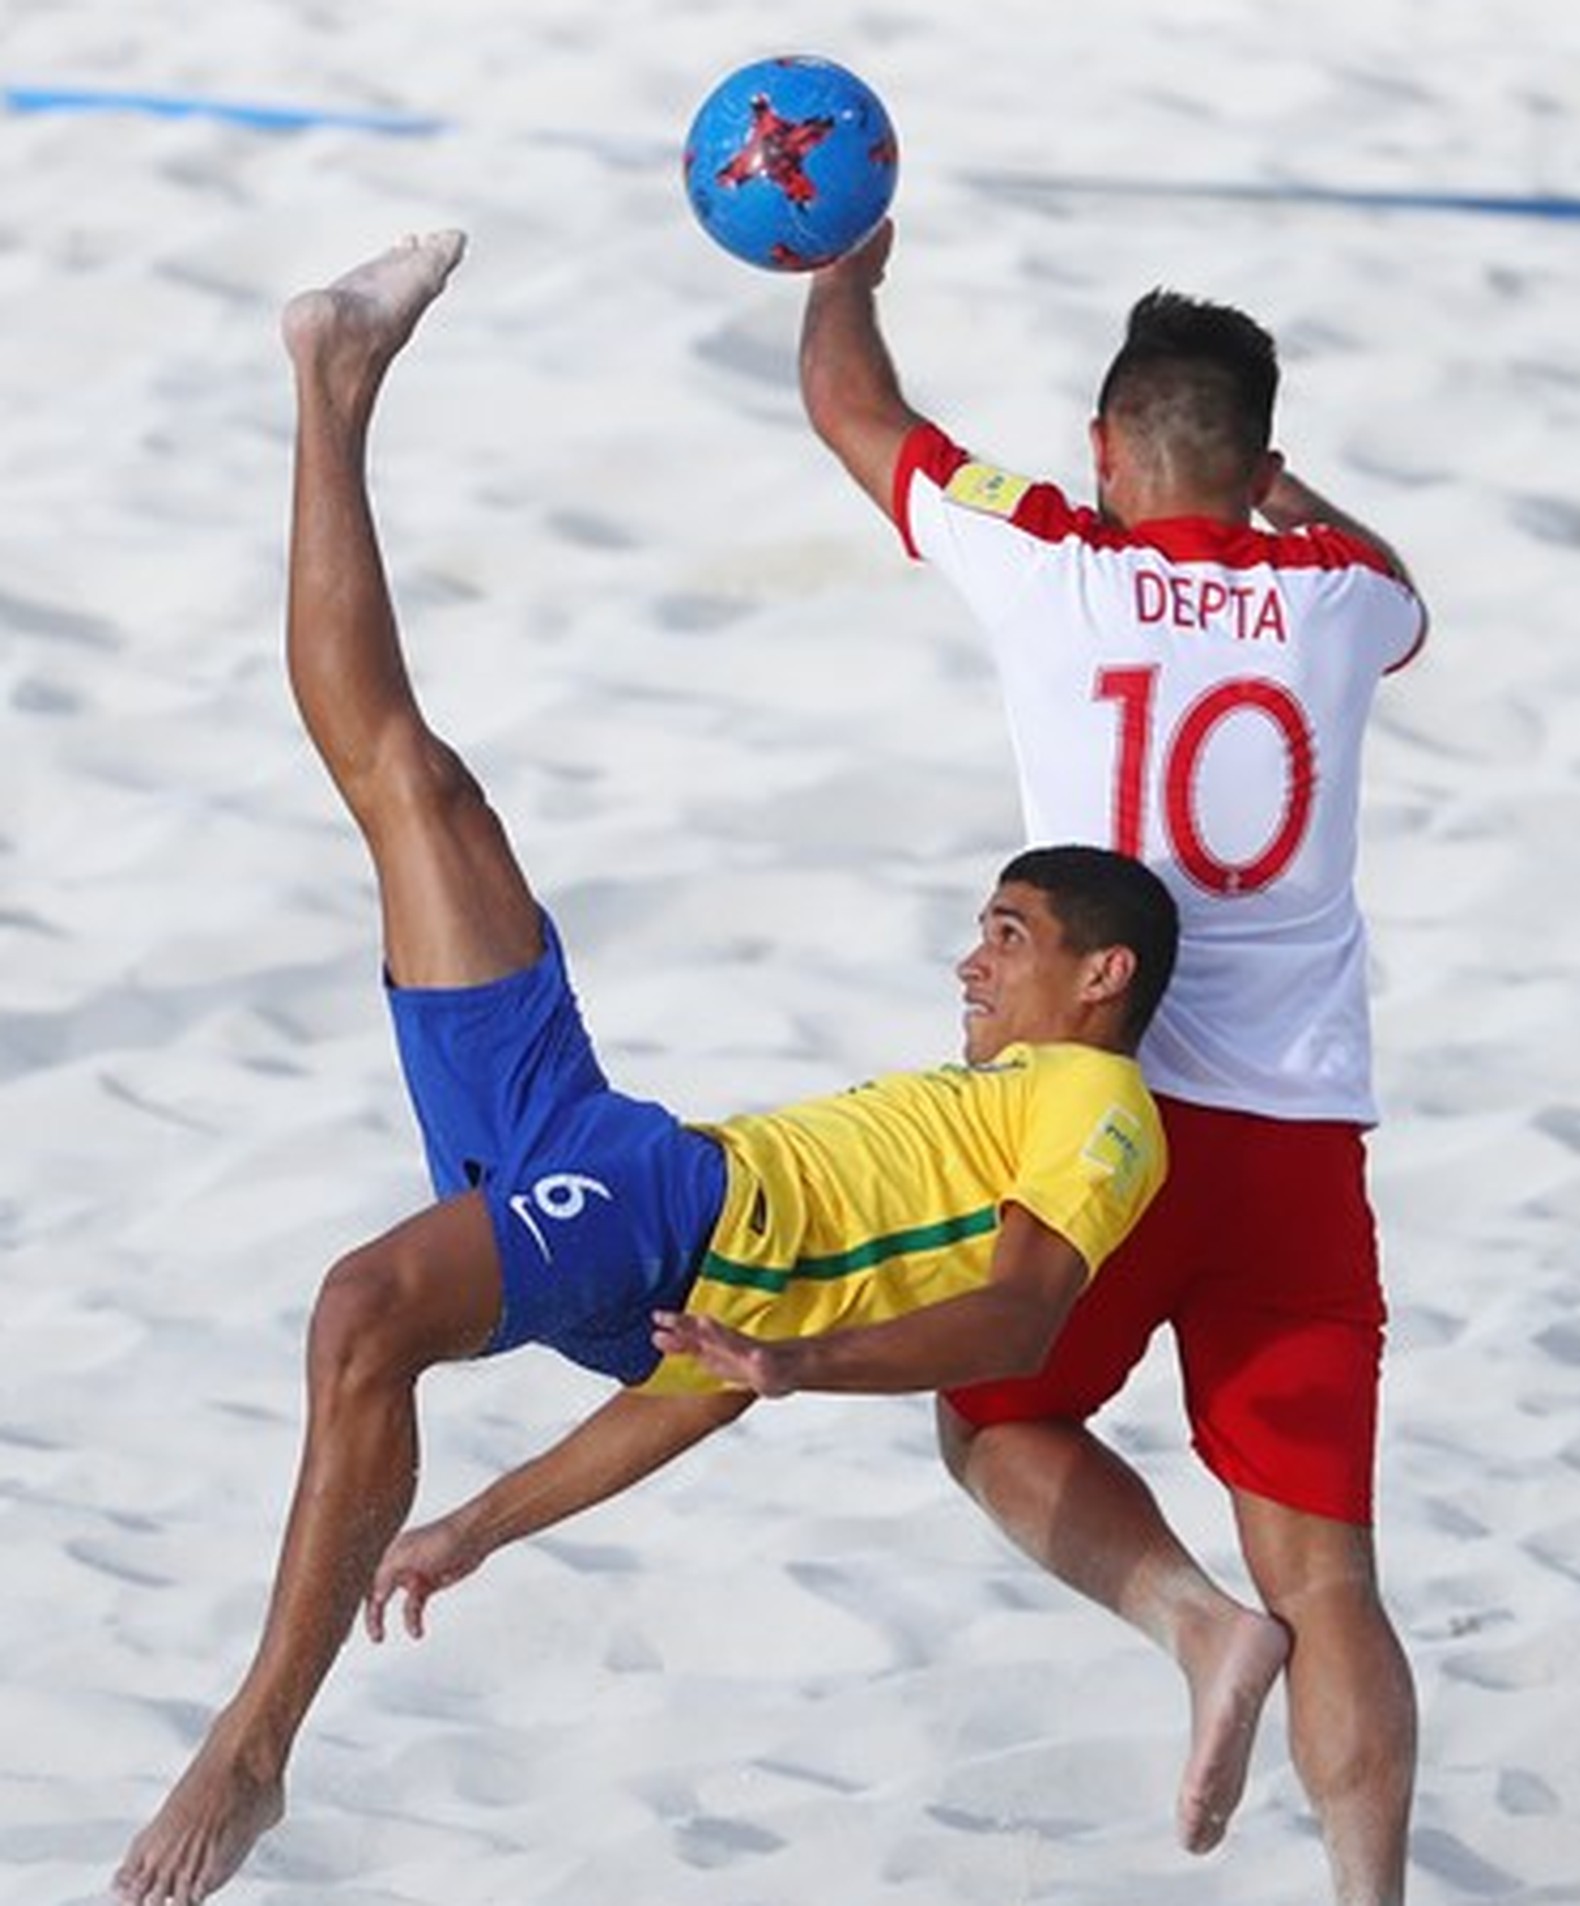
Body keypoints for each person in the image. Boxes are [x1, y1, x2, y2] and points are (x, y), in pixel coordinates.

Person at [112, 230, 1200, 1906]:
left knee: (360, 1307)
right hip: (622, 1164)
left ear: (1101, 975)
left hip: (665, 1202)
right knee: (412, 780)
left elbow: (1019, 1314)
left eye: (1008, 934)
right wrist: (487, 1520)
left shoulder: (1095, 1107)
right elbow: (697, 1377)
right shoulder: (973, 1109)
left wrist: (798, 1374)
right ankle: (333, 382)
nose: (971, 960)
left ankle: (250, 1746)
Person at [796, 221, 1426, 1904]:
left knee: (993, 1416)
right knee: (1336, 1576)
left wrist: (842, 265)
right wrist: (1299, 511)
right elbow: (1409, 593)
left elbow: (850, 406)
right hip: (1300, 1144)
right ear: (1259, 457)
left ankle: (1187, 1619)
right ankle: (1373, 1889)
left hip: (1107, 1117)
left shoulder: (1056, 557)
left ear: (1103, 449)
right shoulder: (1343, 596)